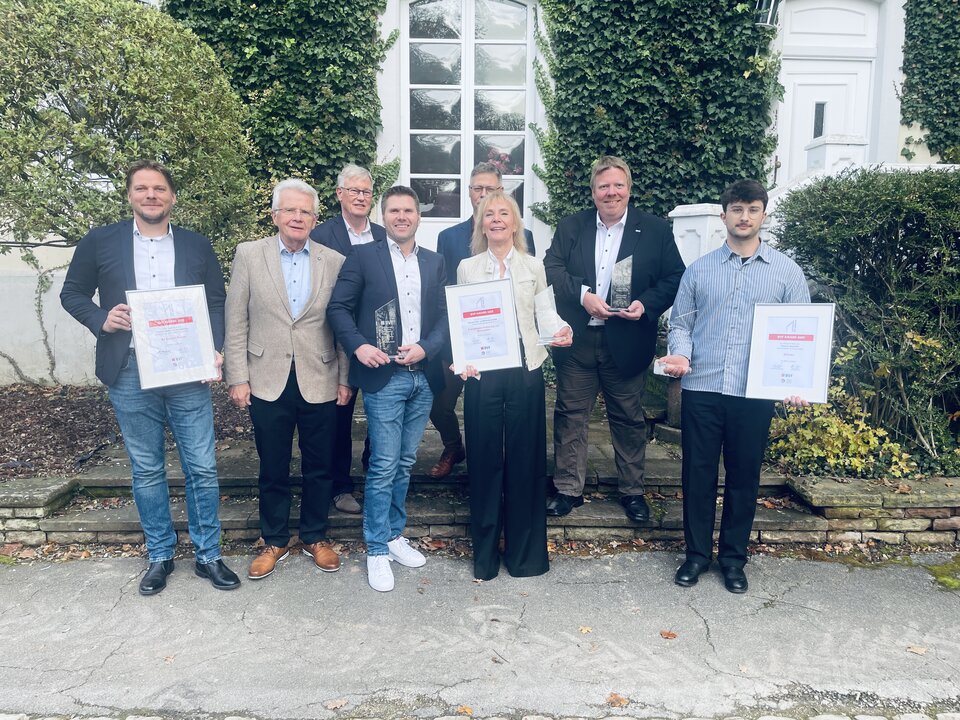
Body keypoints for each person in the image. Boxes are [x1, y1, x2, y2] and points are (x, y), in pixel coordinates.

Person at [60, 159, 240, 595]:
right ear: (129, 196)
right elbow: (72, 293)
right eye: (142, 188)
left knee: (202, 466)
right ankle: (160, 555)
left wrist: (213, 348)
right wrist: (102, 319)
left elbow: (216, 301)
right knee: (146, 468)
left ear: (172, 197)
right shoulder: (101, 241)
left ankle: (208, 555)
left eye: (159, 188)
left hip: (187, 370)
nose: (151, 195)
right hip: (130, 368)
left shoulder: (196, 245)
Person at [660, 179, 811, 593]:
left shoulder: (786, 272)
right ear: (724, 215)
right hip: (703, 388)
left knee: (744, 477)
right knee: (698, 475)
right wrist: (681, 355)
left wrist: (797, 378)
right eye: (737, 209)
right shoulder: (700, 270)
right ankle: (696, 555)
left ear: (763, 215)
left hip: (754, 391)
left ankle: (733, 559)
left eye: (753, 209)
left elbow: (801, 331)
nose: (745, 217)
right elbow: (681, 324)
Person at [543, 155, 686, 522]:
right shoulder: (571, 226)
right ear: (593, 191)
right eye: (603, 186)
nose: (611, 192)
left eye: (618, 185)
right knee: (570, 415)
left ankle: (632, 491)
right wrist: (583, 295)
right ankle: (568, 489)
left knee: (628, 418)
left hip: (628, 338)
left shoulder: (654, 230)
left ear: (629, 189)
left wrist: (646, 303)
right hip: (578, 339)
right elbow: (552, 267)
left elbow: (675, 276)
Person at [224, 179, 351, 580]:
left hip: (321, 375)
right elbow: (236, 319)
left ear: (315, 218)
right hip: (266, 377)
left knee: (320, 464)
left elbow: (342, 322)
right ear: (275, 215)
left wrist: (345, 378)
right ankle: (275, 539)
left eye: (305, 211)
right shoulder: (249, 254)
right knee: (273, 464)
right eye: (290, 210)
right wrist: (237, 376)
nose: (298, 217)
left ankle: (315, 535)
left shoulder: (334, 260)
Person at [327, 185, 449, 592]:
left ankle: (394, 534)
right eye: (394, 211)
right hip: (384, 377)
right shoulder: (364, 256)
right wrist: (359, 346)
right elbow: (338, 308)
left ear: (418, 217)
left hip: (423, 375)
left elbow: (444, 317)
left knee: (405, 461)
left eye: (408, 211)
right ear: (384, 216)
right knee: (383, 464)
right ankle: (376, 548)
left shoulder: (434, 261)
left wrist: (426, 347)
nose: (401, 217)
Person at [456, 191, 571, 580]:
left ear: (515, 222)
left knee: (525, 459)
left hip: (525, 366)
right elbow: (462, 322)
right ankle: (485, 558)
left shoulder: (533, 265)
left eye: (503, 213)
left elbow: (546, 314)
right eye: (489, 214)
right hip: (483, 370)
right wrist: (462, 358)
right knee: (484, 458)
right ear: (481, 224)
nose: (496, 219)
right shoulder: (467, 268)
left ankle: (526, 557)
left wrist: (561, 330)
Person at [429, 162, 536, 479]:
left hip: (505, 349)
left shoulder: (525, 236)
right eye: (478, 188)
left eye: (490, 188)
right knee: (439, 404)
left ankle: (501, 471)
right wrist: (454, 347)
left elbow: (530, 293)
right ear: (469, 192)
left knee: (497, 414)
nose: (483, 194)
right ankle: (454, 447)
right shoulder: (448, 237)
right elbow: (445, 292)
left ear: (502, 192)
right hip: (461, 341)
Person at [310, 164, 387, 514]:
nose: (360, 197)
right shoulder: (320, 235)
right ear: (339, 194)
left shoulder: (384, 235)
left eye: (366, 191)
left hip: (378, 339)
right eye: (353, 190)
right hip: (334, 337)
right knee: (338, 414)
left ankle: (375, 471)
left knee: (380, 410)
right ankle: (340, 486)